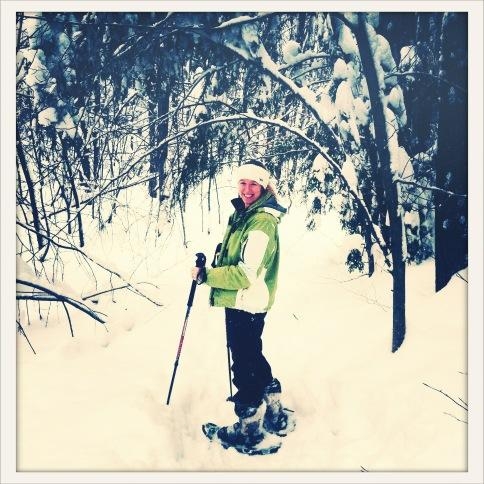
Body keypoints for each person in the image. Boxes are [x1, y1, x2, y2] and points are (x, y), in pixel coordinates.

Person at [192, 160, 292, 449]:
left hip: (246, 301)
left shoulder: (260, 222)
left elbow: (245, 274)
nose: (247, 190)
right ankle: (274, 410)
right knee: (252, 356)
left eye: (254, 184)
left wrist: (207, 275)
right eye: (243, 183)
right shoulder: (246, 214)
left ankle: (250, 431)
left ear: (263, 186)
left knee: (244, 366)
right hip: (246, 301)